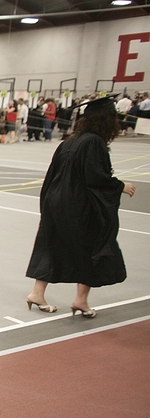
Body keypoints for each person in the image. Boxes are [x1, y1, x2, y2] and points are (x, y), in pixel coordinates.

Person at [25, 96, 136, 318]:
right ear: (106, 120)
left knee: (52, 243)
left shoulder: (69, 141)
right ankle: (81, 300)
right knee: (93, 246)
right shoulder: (94, 142)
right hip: (78, 205)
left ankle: (37, 293)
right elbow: (95, 177)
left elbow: (54, 175)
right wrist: (120, 185)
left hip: (55, 201)